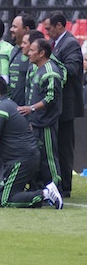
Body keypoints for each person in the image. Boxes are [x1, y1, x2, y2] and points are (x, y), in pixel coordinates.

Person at [0, 76, 63, 209]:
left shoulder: (0, 108)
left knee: (5, 201)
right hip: (22, 157)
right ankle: (13, 190)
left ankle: (45, 194)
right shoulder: (7, 104)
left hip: (19, 159)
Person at [43, 11, 84, 198]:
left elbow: (73, 69)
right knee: (56, 146)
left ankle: (65, 186)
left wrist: (50, 65)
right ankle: (56, 182)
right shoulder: (56, 44)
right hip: (57, 105)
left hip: (66, 106)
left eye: (49, 28)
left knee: (64, 146)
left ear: (60, 26)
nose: (47, 31)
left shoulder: (71, 44)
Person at [18, 38, 64, 189]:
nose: (28, 53)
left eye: (32, 50)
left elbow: (51, 98)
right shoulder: (36, 68)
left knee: (48, 157)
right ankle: (39, 188)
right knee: (36, 156)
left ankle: (55, 188)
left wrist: (31, 108)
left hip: (46, 123)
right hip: (35, 121)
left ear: (42, 53)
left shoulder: (51, 72)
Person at [8, 13, 36, 106]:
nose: (11, 29)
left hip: (28, 111)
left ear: (26, 29)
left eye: (15, 27)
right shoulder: (14, 49)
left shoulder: (36, 53)